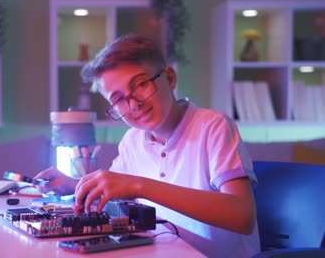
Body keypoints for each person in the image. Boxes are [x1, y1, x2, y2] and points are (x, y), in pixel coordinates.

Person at [33, 33, 260, 257]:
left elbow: (242, 216)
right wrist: (73, 185)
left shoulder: (213, 126)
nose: (134, 104)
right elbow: (115, 190)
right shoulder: (132, 140)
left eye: (141, 84)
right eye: (119, 99)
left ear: (169, 78)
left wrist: (140, 186)